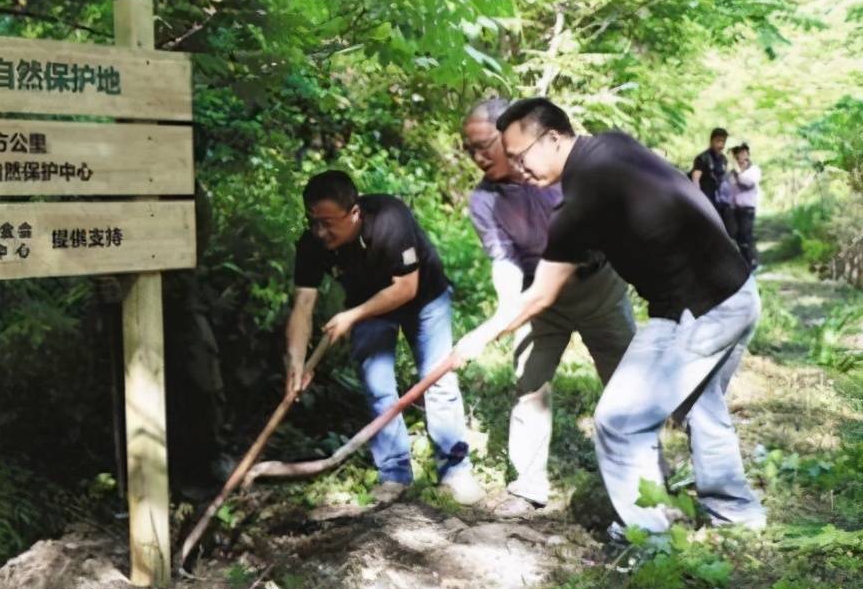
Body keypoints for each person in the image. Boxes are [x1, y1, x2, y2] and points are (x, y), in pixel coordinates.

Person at [452, 98, 766, 535]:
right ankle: (738, 517)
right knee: (701, 406)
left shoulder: (580, 201)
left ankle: (649, 538)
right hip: (737, 292)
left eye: (520, 157)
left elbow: (540, 293)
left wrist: (477, 338)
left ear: (554, 138)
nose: (517, 168)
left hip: (697, 312)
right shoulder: (614, 147)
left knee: (618, 422)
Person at [463, 98, 636, 514]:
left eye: (486, 144)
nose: (478, 156)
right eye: (468, 149)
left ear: (510, 138)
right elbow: (503, 263)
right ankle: (527, 485)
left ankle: (644, 483)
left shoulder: (563, 172)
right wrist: (507, 316)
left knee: (627, 384)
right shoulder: (484, 201)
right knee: (529, 385)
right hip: (535, 301)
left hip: (598, 289)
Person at [285, 170, 483, 504]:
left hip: (424, 299)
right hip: (368, 306)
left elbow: (406, 288)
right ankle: (394, 474)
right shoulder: (312, 244)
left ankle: (455, 470)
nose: (320, 231)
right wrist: (295, 364)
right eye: (313, 221)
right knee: (377, 386)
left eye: (328, 223)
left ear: (355, 213)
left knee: (438, 381)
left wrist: (352, 316)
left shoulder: (390, 217)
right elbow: (303, 306)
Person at [691, 128, 733, 232]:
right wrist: (698, 199)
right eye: (718, 141)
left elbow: (725, 179)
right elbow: (695, 178)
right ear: (711, 141)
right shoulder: (702, 158)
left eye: (723, 141)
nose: (721, 144)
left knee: (724, 229)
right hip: (706, 199)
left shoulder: (724, 159)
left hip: (721, 201)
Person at [729, 143, 760, 270]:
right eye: (739, 155)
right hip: (734, 209)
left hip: (747, 209)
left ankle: (751, 262)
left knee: (746, 235)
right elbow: (729, 189)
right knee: (737, 236)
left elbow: (748, 185)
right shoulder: (732, 172)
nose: (741, 157)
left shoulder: (754, 170)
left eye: (744, 154)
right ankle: (744, 263)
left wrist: (737, 173)